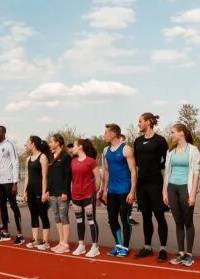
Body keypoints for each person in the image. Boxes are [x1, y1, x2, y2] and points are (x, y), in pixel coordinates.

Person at [133, 112, 170, 261]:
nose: (139, 124)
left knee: (159, 215)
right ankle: (147, 247)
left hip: (156, 182)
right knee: (145, 216)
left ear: (149, 122)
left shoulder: (160, 140)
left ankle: (163, 249)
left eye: (140, 121)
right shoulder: (137, 141)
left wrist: (156, 167)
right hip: (142, 184)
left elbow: (167, 161)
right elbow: (136, 163)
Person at [163, 122, 200, 266]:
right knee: (178, 222)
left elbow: (196, 174)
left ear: (181, 133)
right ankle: (181, 253)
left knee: (188, 222)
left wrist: (192, 194)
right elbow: (166, 172)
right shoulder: (170, 152)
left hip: (186, 188)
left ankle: (189, 254)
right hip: (172, 188)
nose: (171, 135)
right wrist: (164, 191)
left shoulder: (193, 150)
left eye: (173, 132)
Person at [100, 123, 136, 257]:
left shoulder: (126, 149)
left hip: (124, 190)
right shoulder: (105, 150)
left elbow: (133, 171)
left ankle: (125, 247)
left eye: (106, 133)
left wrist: (132, 191)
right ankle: (119, 245)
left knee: (124, 219)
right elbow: (107, 171)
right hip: (112, 191)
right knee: (112, 219)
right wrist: (104, 189)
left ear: (113, 134)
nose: (104, 135)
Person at [0, 125, 24, 245]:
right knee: (2, 206)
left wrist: (15, 183)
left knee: (14, 206)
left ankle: (20, 233)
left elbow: (15, 163)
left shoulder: (10, 144)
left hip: (9, 181)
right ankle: (5, 230)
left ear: (4, 133)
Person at [70, 138, 102, 258]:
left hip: (88, 194)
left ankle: (95, 246)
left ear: (80, 147)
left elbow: (98, 178)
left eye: (74, 146)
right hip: (76, 195)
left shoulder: (91, 161)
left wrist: (95, 191)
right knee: (79, 221)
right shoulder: (73, 161)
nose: (72, 148)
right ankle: (81, 245)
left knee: (91, 220)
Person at [46, 134, 73, 254]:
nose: (49, 143)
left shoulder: (66, 156)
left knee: (64, 216)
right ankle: (61, 241)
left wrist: (65, 192)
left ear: (58, 143)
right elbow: (50, 176)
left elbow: (68, 176)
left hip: (62, 192)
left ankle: (65, 243)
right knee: (56, 217)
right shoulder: (51, 156)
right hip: (52, 192)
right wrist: (47, 190)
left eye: (51, 141)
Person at [24, 136, 51, 250]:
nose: (26, 144)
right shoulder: (28, 158)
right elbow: (27, 176)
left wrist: (44, 192)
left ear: (33, 144)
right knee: (33, 215)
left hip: (40, 191)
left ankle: (45, 242)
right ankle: (35, 240)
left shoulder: (43, 157)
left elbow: (45, 176)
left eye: (27, 142)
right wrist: (24, 191)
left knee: (43, 215)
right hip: (30, 191)